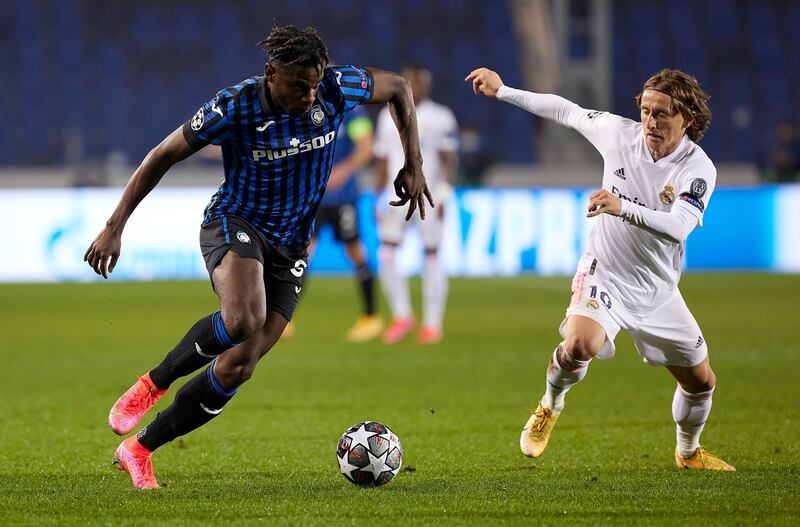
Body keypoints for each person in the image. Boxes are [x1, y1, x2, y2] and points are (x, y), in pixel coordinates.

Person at [84, 25, 433, 489]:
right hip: (235, 223)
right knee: (244, 318)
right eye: (297, 85)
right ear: (271, 73)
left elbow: (400, 88)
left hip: (291, 243)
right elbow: (162, 154)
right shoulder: (234, 106)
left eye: (313, 84)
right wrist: (114, 226)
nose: (309, 96)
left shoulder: (335, 87)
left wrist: (414, 162)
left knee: (239, 365)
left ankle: (140, 449)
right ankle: (152, 383)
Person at [466, 67, 735, 471]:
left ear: (688, 119)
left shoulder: (697, 169)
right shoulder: (618, 134)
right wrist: (504, 90)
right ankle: (550, 405)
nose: (650, 122)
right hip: (604, 271)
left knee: (701, 382)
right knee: (580, 345)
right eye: (646, 110)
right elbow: (564, 111)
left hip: (657, 289)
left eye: (662, 113)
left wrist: (620, 206)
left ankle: (687, 451)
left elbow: (678, 227)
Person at [374, 66, 459, 344]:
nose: (417, 86)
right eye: (412, 81)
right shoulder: (386, 115)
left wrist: (445, 194)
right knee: (386, 254)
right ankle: (402, 316)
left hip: (429, 197)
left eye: (422, 82)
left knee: (432, 255)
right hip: (393, 196)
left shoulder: (441, 116)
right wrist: (377, 196)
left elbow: (449, 161)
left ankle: (433, 323)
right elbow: (383, 161)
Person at [306, 107, 383, 342]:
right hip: (312, 197)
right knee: (301, 254)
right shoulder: (301, 105)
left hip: (343, 197)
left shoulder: (351, 111)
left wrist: (343, 171)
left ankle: (371, 318)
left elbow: (366, 147)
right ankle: (282, 319)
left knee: (355, 251)